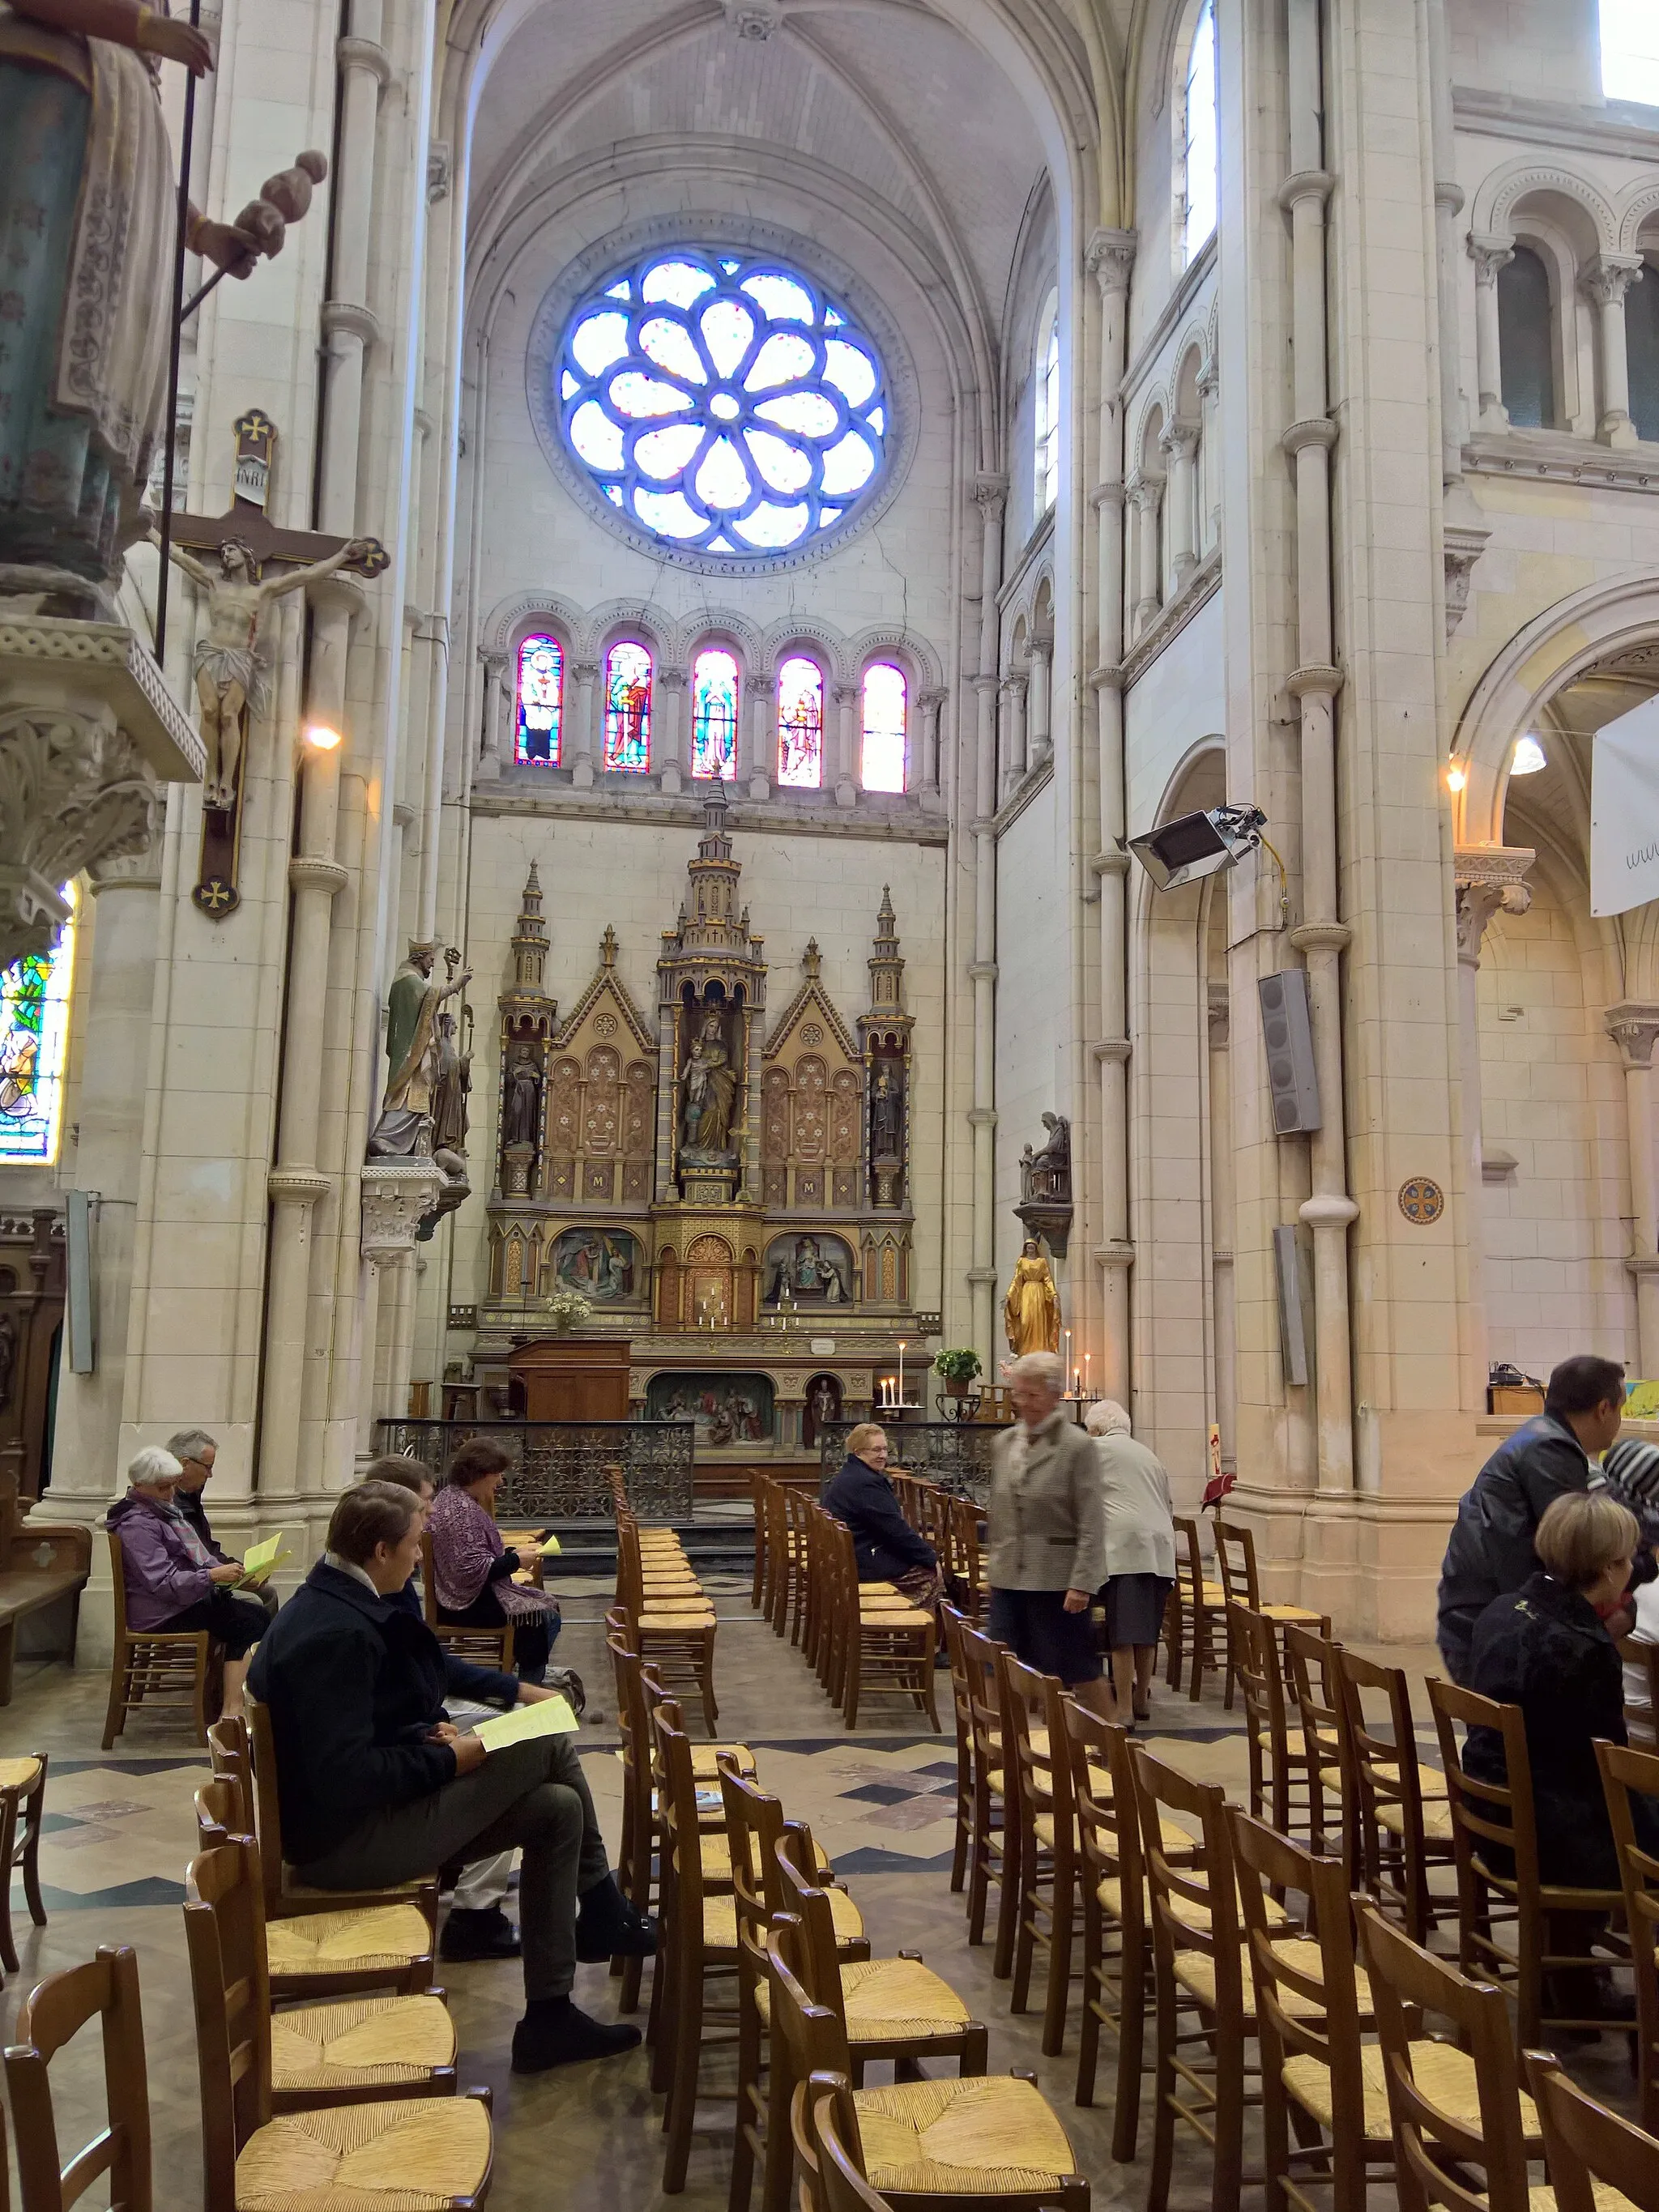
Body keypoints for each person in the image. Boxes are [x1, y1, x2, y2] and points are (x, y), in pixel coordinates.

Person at [247, 1481, 653, 2072]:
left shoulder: (339, 1601)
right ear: (381, 1551)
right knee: (542, 1735)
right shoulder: (335, 1632)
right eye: (415, 1545)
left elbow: (354, 1727)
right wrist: (451, 1757)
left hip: (361, 1820)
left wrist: (421, 1732)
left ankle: (550, 2015)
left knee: (558, 1809)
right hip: (347, 1844)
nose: (421, 1558)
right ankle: (602, 1904)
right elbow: (345, 1775)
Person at [1463, 1491, 1659, 2015]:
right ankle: (1621, 1992)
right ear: (1611, 1567)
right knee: (1642, 1828)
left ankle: (1575, 1976)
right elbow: (1608, 1766)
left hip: (1489, 1816)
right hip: (1548, 1838)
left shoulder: (1504, 1609)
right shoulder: (1582, 1646)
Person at [1437, 1353, 1632, 1683]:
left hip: (1478, 1618)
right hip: (1493, 1629)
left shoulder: (1539, 1434)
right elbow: (1579, 1551)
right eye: (1620, 1410)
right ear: (1603, 1409)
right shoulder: (1552, 1446)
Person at [985, 1351, 1110, 1717]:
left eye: (1033, 1395)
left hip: (1057, 1581)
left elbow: (1091, 1519)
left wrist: (1083, 1582)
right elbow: (1002, 1514)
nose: (1023, 1402)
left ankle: (1113, 1747)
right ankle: (1007, 1746)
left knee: (1078, 1669)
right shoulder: (1005, 1443)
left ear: (1054, 1396)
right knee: (998, 1663)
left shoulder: (1077, 1446)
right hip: (1009, 1574)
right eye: (1019, 1393)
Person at [106, 1447, 267, 1717]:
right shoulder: (136, 1524)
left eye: (173, 1486)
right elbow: (163, 1581)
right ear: (139, 1486)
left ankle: (234, 1700)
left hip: (180, 1600)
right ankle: (232, 1710)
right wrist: (213, 1576)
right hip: (160, 1611)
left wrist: (235, 1574)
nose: (170, 1494)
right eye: (162, 1488)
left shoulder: (162, 1512)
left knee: (253, 1614)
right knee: (251, 1621)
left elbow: (197, 1556)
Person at [428, 1437, 561, 1684]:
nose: (500, 1481)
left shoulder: (453, 1497)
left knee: (544, 1608)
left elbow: (476, 1553)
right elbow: (473, 1570)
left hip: (467, 1592)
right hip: (464, 1604)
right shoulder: (462, 1512)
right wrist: (516, 1560)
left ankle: (526, 1673)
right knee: (543, 1616)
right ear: (479, 1474)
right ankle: (527, 1687)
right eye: (497, 1474)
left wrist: (514, 1552)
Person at [1085, 1400, 1176, 1728]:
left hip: (1125, 1547)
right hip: (1160, 1547)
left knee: (1123, 1632)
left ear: (1095, 1429)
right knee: (1146, 1630)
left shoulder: (1096, 1449)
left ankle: (1123, 1707)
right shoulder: (1147, 1454)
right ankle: (1142, 1698)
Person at [822, 1423, 943, 1613]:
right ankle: (913, 1629)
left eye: (885, 1449)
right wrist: (930, 1558)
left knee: (920, 1557)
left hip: (854, 1554)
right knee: (931, 1574)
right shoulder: (865, 1483)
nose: (883, 1455)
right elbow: (895, 1531)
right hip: (863, 1563)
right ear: (858, 1452)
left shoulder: (853, 1473)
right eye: (876, 1450)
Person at [167, 1427, 279, 1622]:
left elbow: (205, 1548)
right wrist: (232, 1578)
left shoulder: (189, 1497)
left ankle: (259, 1650)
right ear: (185, 1464)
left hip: (203, 1578)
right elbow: (189, 1562)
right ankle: (249, 1651)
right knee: (256, 1608)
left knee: (266, 1593)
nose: (210, 1475)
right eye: (208, 1467)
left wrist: (242, 1571)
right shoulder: (169, 1506)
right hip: (189, 1592)